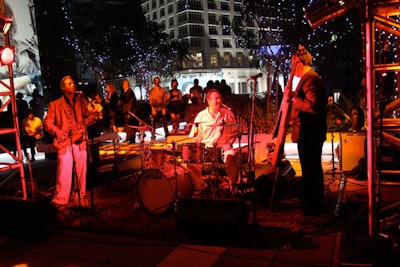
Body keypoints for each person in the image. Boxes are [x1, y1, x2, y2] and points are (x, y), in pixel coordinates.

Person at [284, 46, 327, 215]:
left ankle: (315, 204)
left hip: (311, 133)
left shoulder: (311, 79)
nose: (291, 69)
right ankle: (309, 200)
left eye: (292, 65)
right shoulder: (309, 78)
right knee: (309, 168)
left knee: (312, 169)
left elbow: (313, 105)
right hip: (309, 133)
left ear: (299, 63)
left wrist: (294, 97)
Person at [44, 75, 97, 209]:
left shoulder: (82, 102)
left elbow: (90, 118)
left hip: (80, 140)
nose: (72, 85)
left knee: (81, 171)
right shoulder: (54, 104)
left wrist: (94, 116)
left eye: (73, 83)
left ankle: (80, 196)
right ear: (63, 87)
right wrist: (57, 131)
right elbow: (47, 123)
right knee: (64, 172)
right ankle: (61, 200)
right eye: (69, 84)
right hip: (65, 141)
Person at [188, 89, 240, 189]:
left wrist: (229, 143)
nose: (219, 101)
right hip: (206, 149)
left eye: (220, 98)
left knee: (232, 155)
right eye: (216, 98)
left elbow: (235, 133)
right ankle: (201, 185)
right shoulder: (201, 116)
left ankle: (232, 186)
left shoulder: (228, 114)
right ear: (209, 101)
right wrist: (197, 145)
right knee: (190, 161)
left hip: (223, 149)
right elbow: (195, 136)